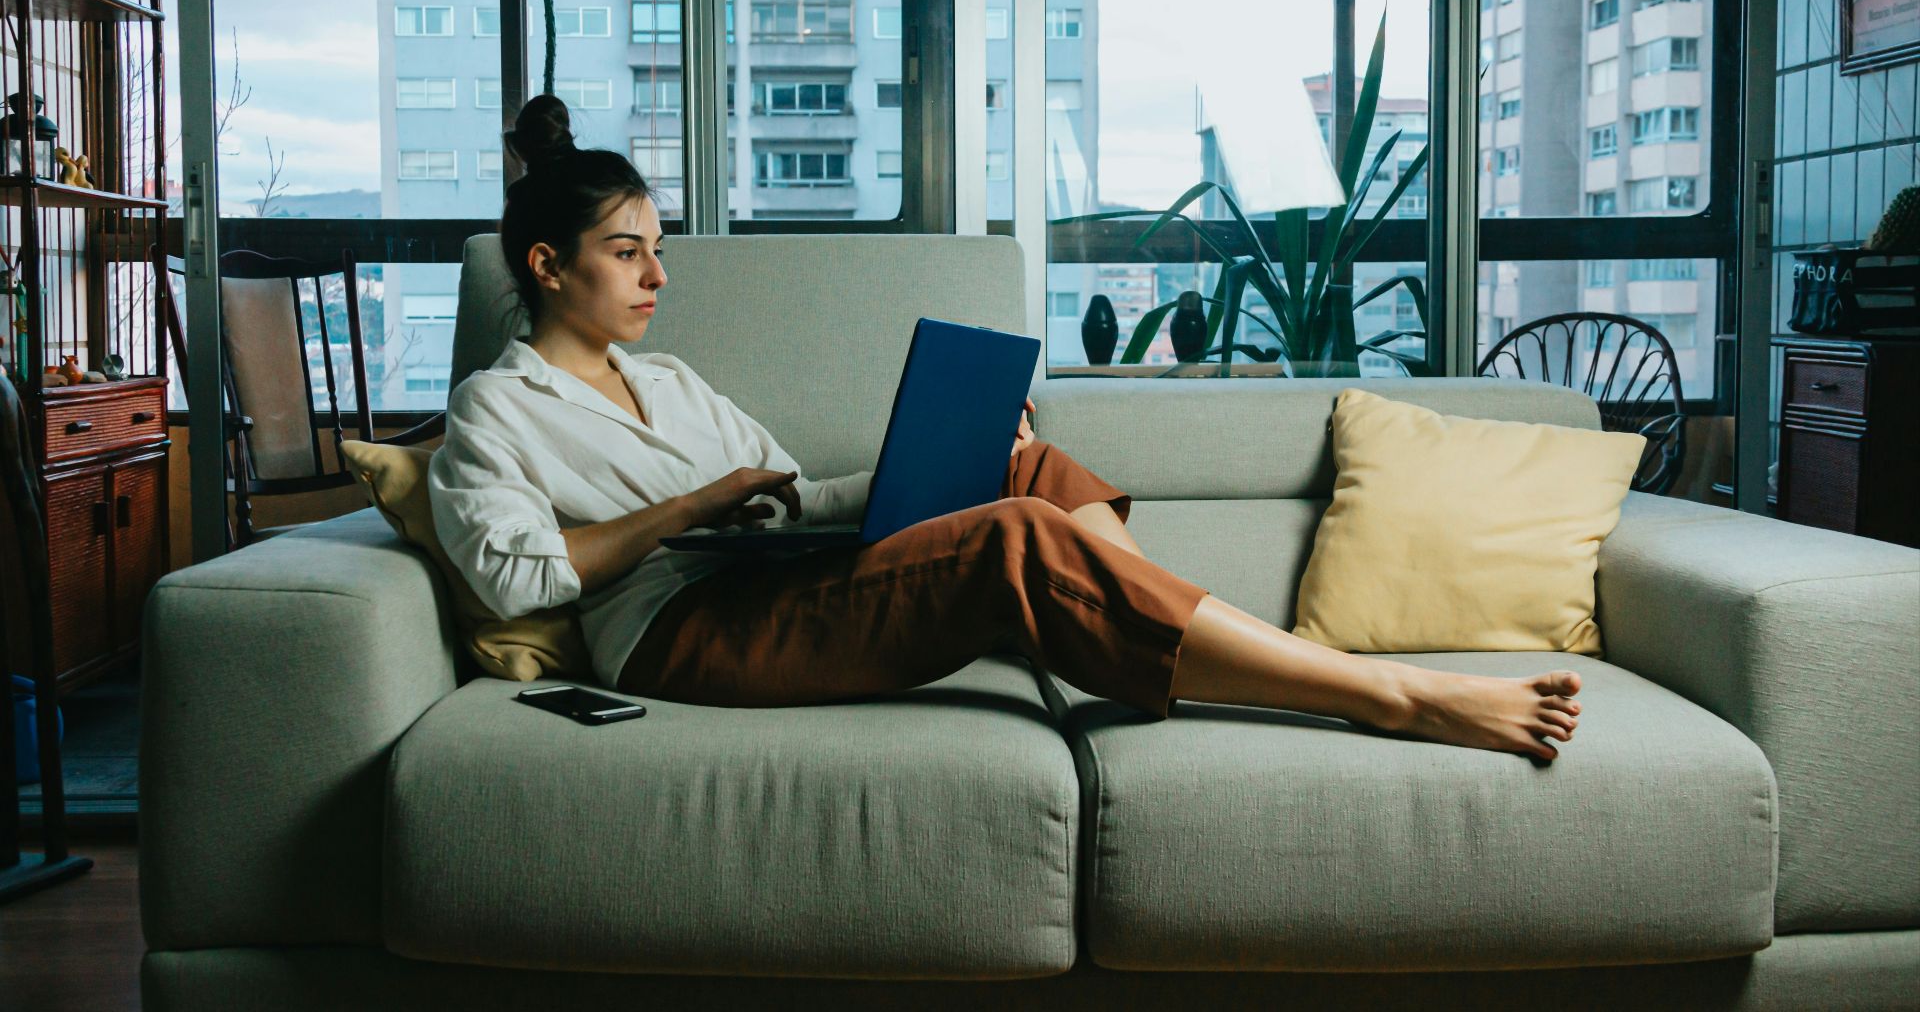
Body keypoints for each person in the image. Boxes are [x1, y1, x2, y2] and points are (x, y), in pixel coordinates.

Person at [430, 96, 1583, 760]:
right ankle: (1386, 694)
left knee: (1023, 466)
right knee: (1014, 539)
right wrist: (689, 508)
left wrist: (950, 453)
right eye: (628, 253)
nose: (656, 277)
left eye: (659, 249)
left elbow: (785, 497)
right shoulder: (495, 409)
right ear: (547, 265)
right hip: (679, 636)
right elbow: (518, 571)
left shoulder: (671, 380)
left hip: (767, 583)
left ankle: (1154, 634)